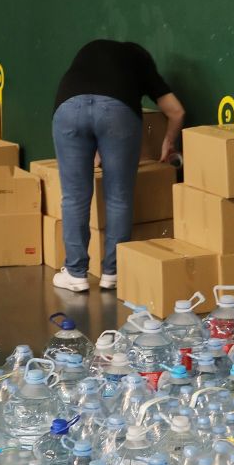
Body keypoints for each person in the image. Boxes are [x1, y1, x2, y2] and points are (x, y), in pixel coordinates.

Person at [48, 39, 184, 294]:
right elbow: (176, 111)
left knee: (74, 196)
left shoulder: (91, 49)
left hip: (69, 106)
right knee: (118, 196)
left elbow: (90, 102)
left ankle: (75, 274)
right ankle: (114, 272)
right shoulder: (141, 63)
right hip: (117, 113)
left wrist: (95, 145)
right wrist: (168, 141)